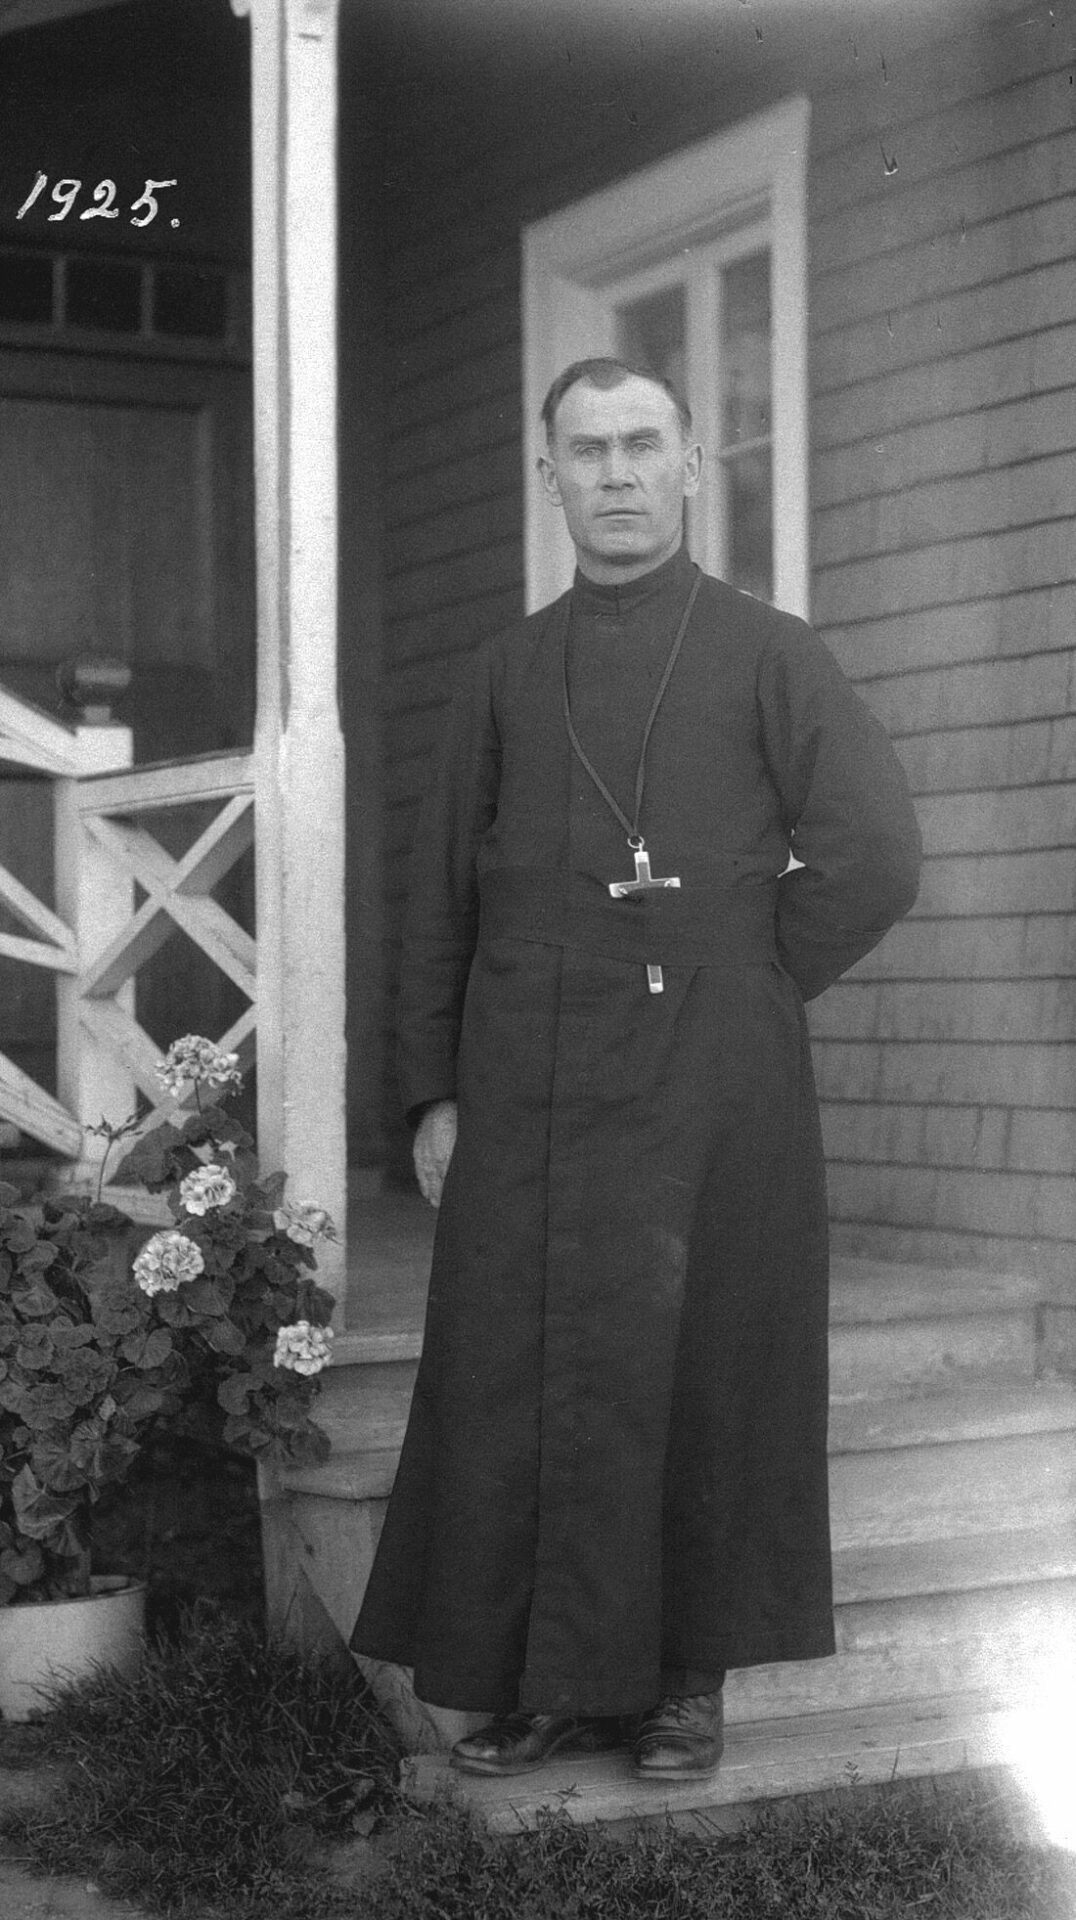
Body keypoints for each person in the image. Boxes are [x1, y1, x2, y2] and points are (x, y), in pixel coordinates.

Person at [351, 357, 922, 1782]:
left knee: (707, 1361)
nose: (615, 474)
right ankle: (547, 1678)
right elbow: (436, 902)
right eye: (586, 451)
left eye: (641, 446)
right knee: (526, 1371)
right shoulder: (505, 672)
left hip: (712, 1075)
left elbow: (874, 852)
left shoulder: (772, 652)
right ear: (549, 477)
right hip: (527, 1071)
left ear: (688, 467)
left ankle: (682, 1684)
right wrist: (431, 1093)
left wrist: (750, 969)